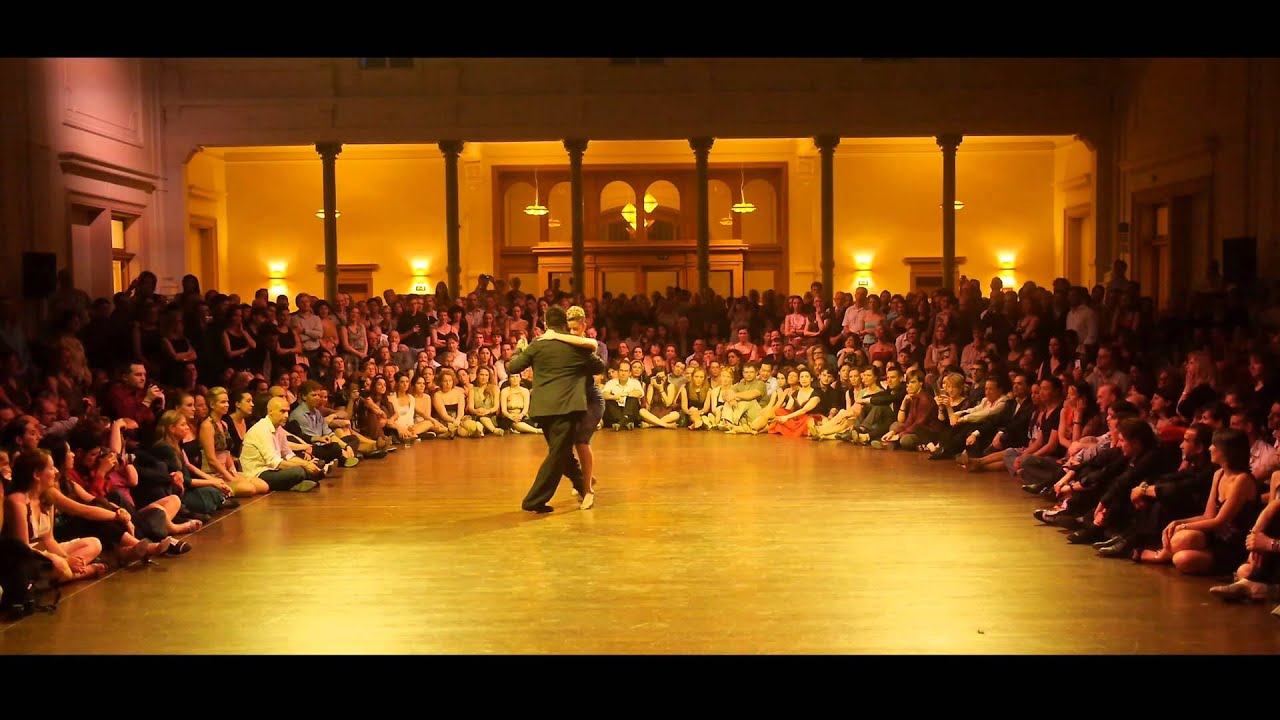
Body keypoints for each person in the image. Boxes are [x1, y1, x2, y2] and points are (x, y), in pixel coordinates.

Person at [505, 306, 604, 513]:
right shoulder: (577, 346)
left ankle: (582, 485)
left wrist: (519, 348)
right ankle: (534, 500)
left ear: (545, 323)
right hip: (567, 408)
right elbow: (598, 367)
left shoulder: (537, 345)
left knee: (561, 453)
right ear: (565, 324)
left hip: (542, 409)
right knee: (558, 455)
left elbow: (513, 367)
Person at [540, 306, 607, 510]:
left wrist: (552, 336)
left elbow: (596, 362)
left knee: (581, 442)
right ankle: (585, 479)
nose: (572, 333)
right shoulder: (566, 344)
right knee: (564, 445)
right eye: (569, 329)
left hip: (591, 399)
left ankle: (587, 490)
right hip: (572, 401)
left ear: (584, 325)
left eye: (576, 328)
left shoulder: (590, 344)